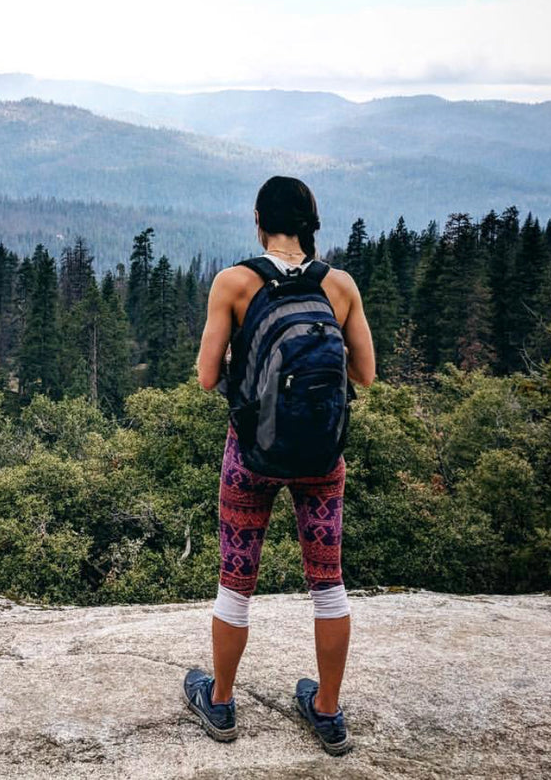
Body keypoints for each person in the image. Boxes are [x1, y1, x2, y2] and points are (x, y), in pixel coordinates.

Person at [183, 175, 375, 755]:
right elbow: (364, 374)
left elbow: (208, 376)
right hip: (322, 457)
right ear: (310, 224)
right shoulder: (338, 286)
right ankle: (328, 711)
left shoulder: (235, 282)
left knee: (236, 583)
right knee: (328, 585)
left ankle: (219, 702)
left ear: (259, 221)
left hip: (251, 456)